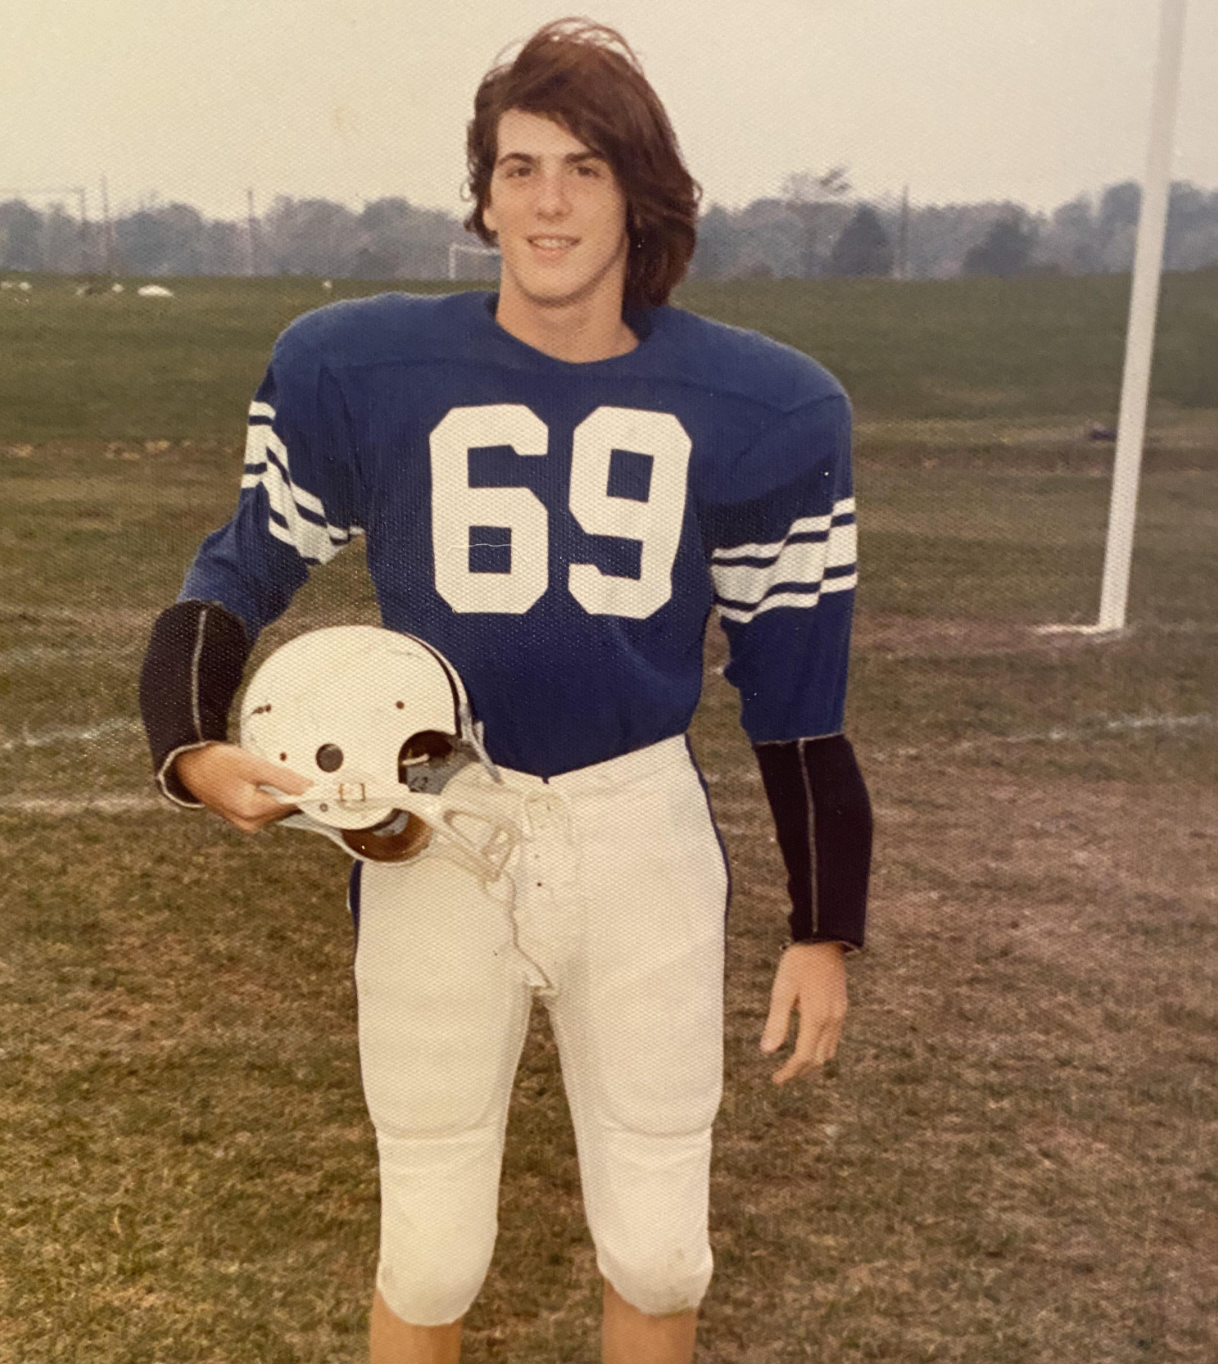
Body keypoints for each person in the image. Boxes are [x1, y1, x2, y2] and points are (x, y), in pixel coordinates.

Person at [138, 18, 872, 1364]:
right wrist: (189, 747)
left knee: (657, 1238)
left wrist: (823, 926)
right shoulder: (362, 369)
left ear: (639, 194)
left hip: (634, 820)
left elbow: (796, 697)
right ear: (481, 195)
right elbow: (236, 570)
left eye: (583, 169)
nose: (547, 200)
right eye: (519, 166)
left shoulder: (762, 404)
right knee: (429, 1252)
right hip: (434, 830)